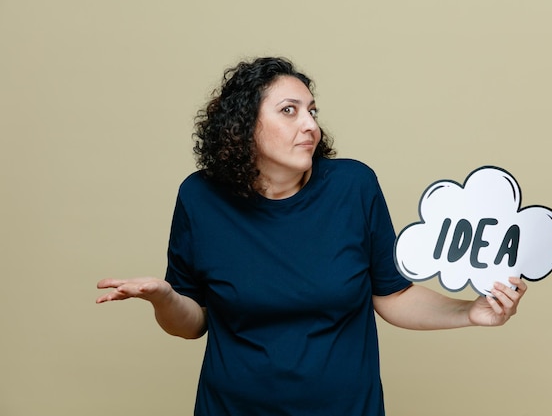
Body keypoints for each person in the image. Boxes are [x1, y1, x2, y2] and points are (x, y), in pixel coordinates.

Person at [96, 56, 527, 415]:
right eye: (289, 110)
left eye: (312, 111)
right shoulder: (199, 197)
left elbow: (392, 296)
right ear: (243, 126)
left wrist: (469, 313)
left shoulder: (353, 186)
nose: (310, 125)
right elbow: (192, 323)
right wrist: (164, 297)